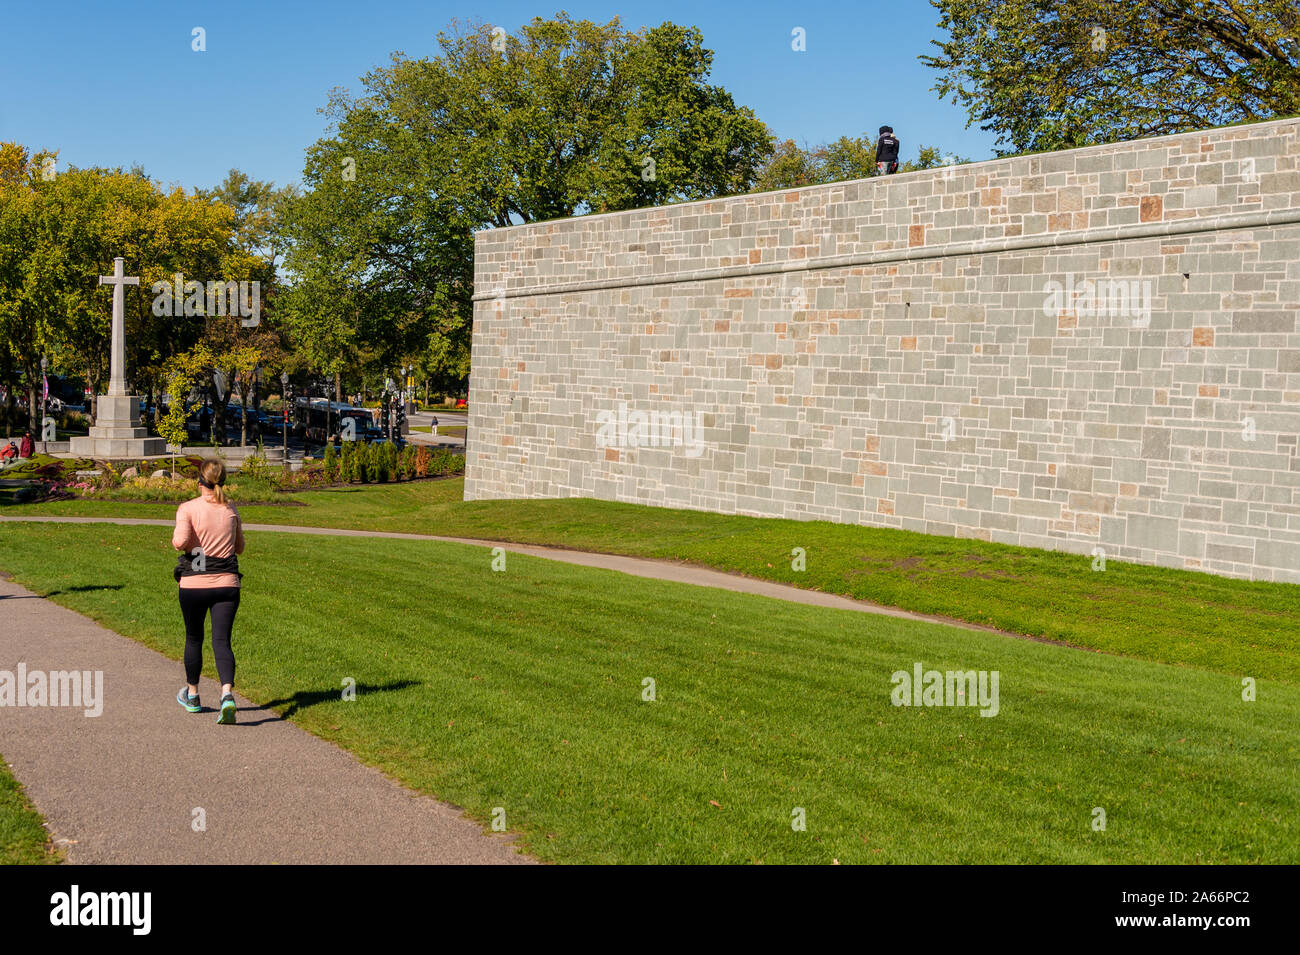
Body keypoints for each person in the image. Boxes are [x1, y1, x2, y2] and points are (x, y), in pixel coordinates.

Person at [172, 459, 245, 724]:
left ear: (199, 481)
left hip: (195, 583)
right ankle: (227, 693)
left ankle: (192, 694)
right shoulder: (230, 508)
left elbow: (179, 542)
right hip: (227, 583)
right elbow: (239, 548)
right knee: (222, 641)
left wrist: (194, 541)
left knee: (194, 638)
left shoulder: (188, 508)